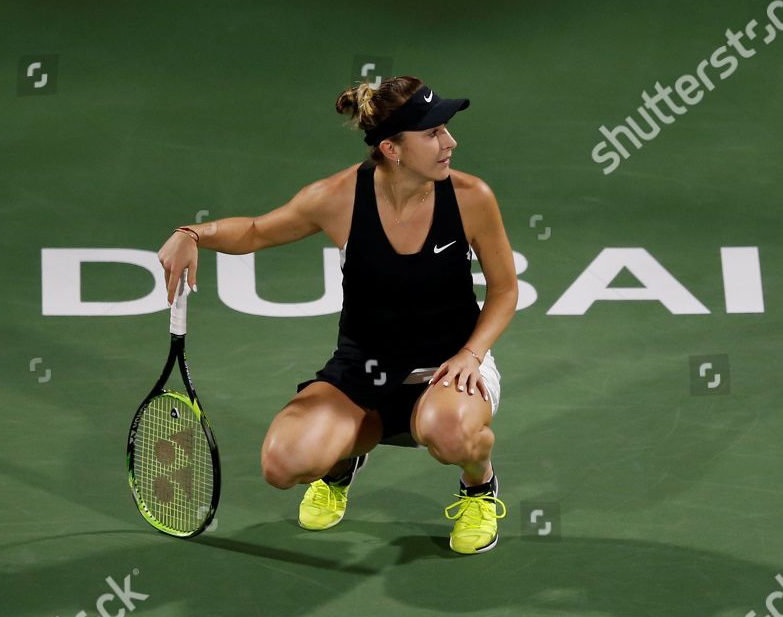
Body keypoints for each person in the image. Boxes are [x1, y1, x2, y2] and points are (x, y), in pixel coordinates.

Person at [156, 76, 518, 554]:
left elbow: (505, 288)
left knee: (448, 433)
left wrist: (473, 354)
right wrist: (192, 233)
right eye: (433, 133)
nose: (450, 142)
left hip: (449, 364)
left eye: (446, 129)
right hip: (363, 368)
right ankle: (343, 459)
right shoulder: (338, 197)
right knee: (283, 464)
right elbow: (258, 232)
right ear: (392, 148)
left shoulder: (472, 197)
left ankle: (479, 488)